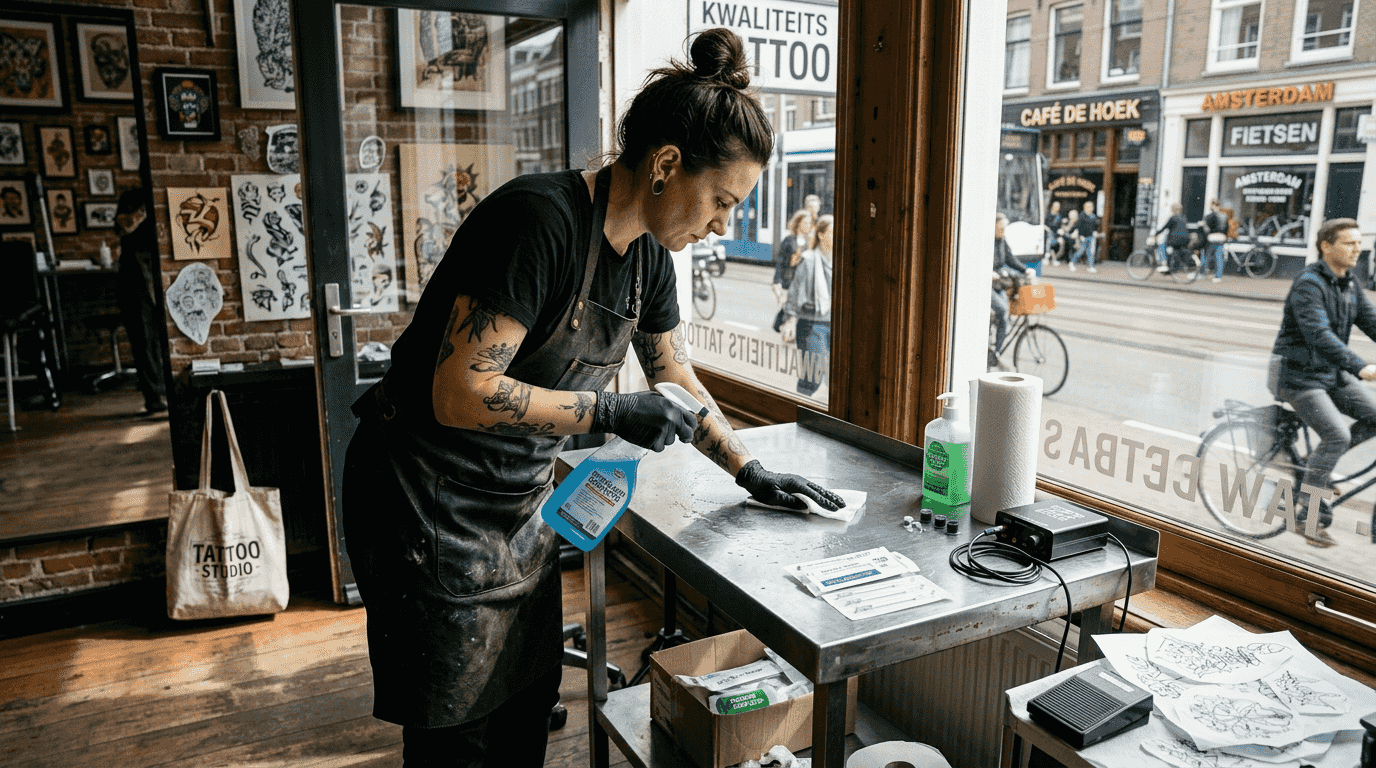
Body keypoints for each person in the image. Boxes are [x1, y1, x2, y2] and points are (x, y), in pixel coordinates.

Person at [341, 28, 844, 768]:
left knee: (525, 702)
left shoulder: (649, 259)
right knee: (458, 735)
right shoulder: (538, 221)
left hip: (514, 503)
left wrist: (746, 468)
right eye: (722, 201)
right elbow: (460, 391)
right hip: (425, 499)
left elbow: (673, 371)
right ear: (668, 164)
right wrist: (610, 412)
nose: (722, 226)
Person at [1268, 218, 1376, 548]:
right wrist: (1361, 367)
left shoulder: (1349, 283)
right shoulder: (1309, 283)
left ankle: (1318, 469)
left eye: (1359, 243)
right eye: (1349, 243)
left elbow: (1371, 321)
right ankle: (1305, 514)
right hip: (1298, 374)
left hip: (1329, 373)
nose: (1358, 249)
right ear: (1326, 246)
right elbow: (1319, 335)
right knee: (1337, 435)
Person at [113, 188, 167, 414]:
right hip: (133, 287)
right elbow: (126, 229)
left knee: (152, 340)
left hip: (147, 285)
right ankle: (152, 395)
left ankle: (157, 388)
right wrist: (142, 215)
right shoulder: (129, 217)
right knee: (143, 340)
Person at [781, 214, 834, 397]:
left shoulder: (839, 261)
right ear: (820, 235)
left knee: (830, 375)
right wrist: (790, 321)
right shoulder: (809, 260)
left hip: (833, 324)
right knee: (813, 374)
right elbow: (795, 293)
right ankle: (799, 404)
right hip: (811, 324)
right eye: (832, 232)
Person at [991, 212, 1036, 354]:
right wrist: (988, 273)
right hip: (988, 283)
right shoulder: (987, 241)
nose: (1003, 231)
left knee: (1005, 316)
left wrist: (1026, 269)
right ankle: (985, 343)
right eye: (1001, 227)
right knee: (1002, 310)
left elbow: (1011, 259)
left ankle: (996, 353)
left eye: (1005, 228)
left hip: (999, 283)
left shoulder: (1002, 241)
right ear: (993, 226)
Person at [771, 208, 812, 330]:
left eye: (809, 223)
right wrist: (776, 281)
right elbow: (781, 262)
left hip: (804, 282)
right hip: (789, 281)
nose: (808, 226)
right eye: (805, 223)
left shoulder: (810, 242)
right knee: (791, 307)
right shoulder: (789, 241)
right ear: (798, 224)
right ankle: (781, 323)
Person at [1154, 202, 1192, 274]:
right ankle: (1175, 268)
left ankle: (1167, 266)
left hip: (1175, 239)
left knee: (1165, 247)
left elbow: (1165, 227)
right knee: (1177, 251)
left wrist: (1156, 233)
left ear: (1173, 209)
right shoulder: (1183, 217)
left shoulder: (1173, 218)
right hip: (1186, 238)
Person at [1201, 200, 1228, 283]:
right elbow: (1226, 227)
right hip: (1221, 238)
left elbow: (1206, 228)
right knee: (1218, 256)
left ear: (1212, 206)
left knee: (1206, 255)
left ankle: (1202, 272)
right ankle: (1218, 276)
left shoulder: (1210, 216)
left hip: (1212, 237)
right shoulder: (1224, 215)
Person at [1067, 200, 1098, 273]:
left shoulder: (1093, 216)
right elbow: (1079, 226)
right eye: (1088, 206)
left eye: (1091, 206)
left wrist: (1095, 232)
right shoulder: (1081, 215)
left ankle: (1090, 266)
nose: (1090, 208)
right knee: (1080, 251)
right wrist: (1081, 236)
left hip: (1091, 236)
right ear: (1085, 207)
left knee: (1091, 252)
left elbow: (1095, 226)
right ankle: (1072, 263)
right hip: (1083, 237)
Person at [1043, 200, 1063, 266]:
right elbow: (1043, 224)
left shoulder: (1059, 216)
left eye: (1058, 206)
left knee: (1060, 243)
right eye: (1055, 206)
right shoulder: (1048, 215)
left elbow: (1059, 227)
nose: (1057, 208)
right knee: (1049, 238)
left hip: (1055, 235)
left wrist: (1060, 233)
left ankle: (1051, 258)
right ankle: (1048, 258)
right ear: (1052, 206)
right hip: (1047, 234)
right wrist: (1047, 228)